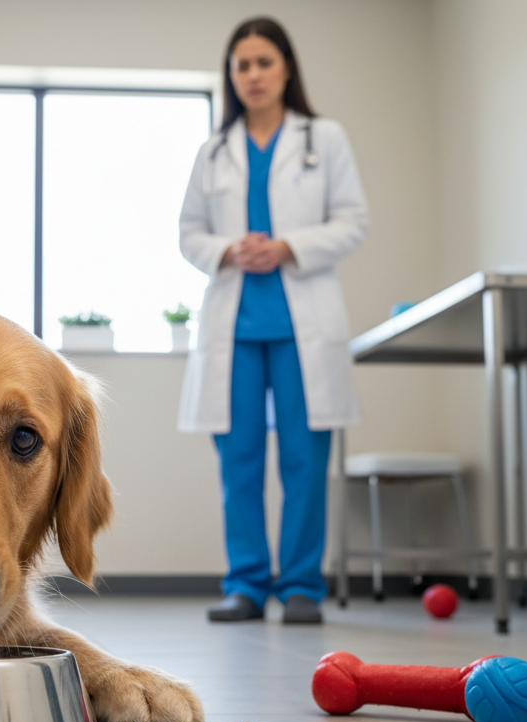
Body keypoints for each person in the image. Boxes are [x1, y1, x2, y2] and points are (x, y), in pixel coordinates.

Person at [177, 16, 367, 624]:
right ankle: (247, 585)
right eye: (242, 64)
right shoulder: (214, 151)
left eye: (264, 62)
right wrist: (228, 251)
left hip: (300, 325)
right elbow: (188, 233)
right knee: (240, 460)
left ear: (286, 67)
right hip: (236, 327)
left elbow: (351, 221)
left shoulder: (324, 137)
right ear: (230, 75)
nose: (253, 75)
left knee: (305, 460)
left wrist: (287, 247)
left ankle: (304, 586)